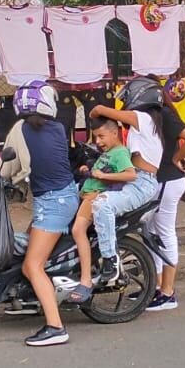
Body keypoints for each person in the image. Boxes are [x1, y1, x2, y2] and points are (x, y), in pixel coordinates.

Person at [5, 81, 81, 348]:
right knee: (26, 248)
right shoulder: (58, 128)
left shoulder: (20, 129)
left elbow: (9, 164)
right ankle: (30, 297)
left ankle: (55, 327)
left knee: (31, 265)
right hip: (62, 197)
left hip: (52, 203)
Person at [88, 78, 166, 289]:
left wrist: (98, 111)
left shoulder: (144, 118)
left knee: (102, 205)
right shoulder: (145, 125)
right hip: (138, 181)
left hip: (141, 184)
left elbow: (104, 111)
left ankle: (111, 263)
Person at [68, 117, 135, 303]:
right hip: (85, 194)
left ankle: (85, 280)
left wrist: (104, 175)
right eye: (96, 137)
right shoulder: (109, 152)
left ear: (115, 133)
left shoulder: (120, 152)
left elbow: (130, 174)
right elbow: (101, 169)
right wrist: (88, 168)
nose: (98, 141)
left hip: (94, 196)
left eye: (101, 136)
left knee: (77, 230)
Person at [147, 90, 185, 313]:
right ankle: (155, 288)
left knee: (165, 232)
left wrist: (175, 158)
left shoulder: (165, 114)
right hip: (160, 181)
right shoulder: (150, 115)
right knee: (151, 231)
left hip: (168, 181)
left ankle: (168, 292)